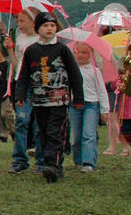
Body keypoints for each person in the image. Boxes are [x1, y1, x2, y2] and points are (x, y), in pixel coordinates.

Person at [15, 13, 83, 183]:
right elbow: (23, 74)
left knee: (55, 131)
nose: (49, 29)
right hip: (39, 100)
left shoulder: (62, 49)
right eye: (45, 26)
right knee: (42, 132)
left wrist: (79, 97)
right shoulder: (31, 50)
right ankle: (50, 163)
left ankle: (53, 164)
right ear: (38, 28)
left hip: (59, 99)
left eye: (52, 25)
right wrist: (21, 94)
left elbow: (75, 74)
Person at [5, 8, 42, 173]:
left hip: (39, 84)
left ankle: (42, 160)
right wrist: (10, 50)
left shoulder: (41, 39)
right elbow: (16, 64)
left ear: (33, 22)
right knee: (21, 121)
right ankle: (20, 160)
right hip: (22, 83)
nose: (19, 24)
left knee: (41, 122)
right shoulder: (20, 39)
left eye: (22, 21)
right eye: (18, 21)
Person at [67, 42, 108, 172]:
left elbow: (102, 91)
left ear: (90, 55)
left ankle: (88, 162)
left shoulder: (95, 71)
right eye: (78, 52)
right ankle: (78, 160)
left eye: (84, 53)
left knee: (88, 134)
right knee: (77, 136)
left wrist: (104, 110)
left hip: (91, 105)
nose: (80, 55)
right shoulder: (71, 71)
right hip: (74, 106)